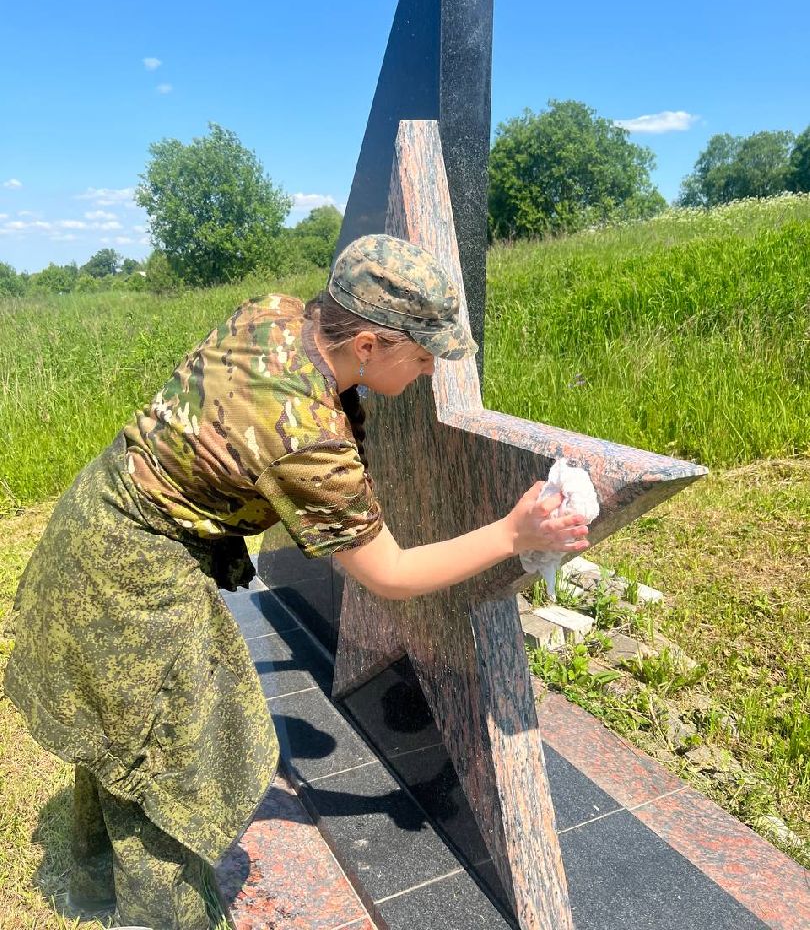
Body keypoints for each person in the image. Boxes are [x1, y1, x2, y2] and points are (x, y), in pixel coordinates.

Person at [4, 233, 590, 930]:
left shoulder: (278, 313)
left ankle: (93, 881)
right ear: (369, 346)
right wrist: (513, 536)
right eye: (425, 354)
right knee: (180, 765)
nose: (433, 370)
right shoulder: (304, 432)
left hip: (99, 519)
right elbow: (392, 574)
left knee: (125, 725)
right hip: (128, 572)